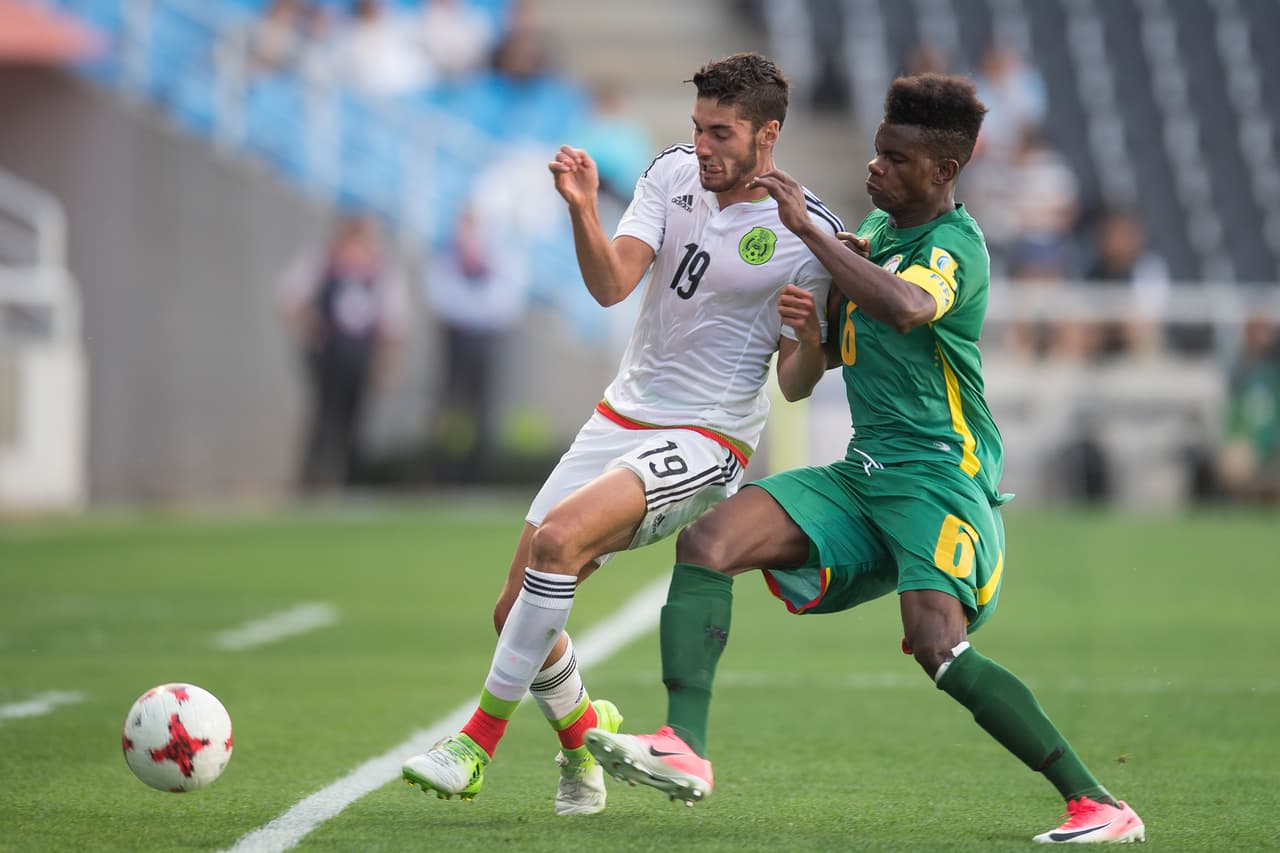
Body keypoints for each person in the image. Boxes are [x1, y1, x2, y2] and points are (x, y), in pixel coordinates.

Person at [585, 73, 1147, 845]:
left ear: (943, 171)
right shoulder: (874, 241)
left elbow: (908, 307)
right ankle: (683, 744)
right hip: (865, 471)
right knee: (709, 541)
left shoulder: (955, 246)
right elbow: (803, 380)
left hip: (936, 477)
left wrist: (814, 237)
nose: (875, 168)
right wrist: (811, 337)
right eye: (876, 152)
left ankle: (1098, 802)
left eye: (895, 158)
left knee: (937, 646)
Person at [401, 52, 844, 817]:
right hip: (620, 415)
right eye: (698, 128)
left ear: (767, 134)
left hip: (708, 437)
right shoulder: (671, 174)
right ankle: (583, 745)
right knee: (516, 613)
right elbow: (611, 283)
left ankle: (474, 744)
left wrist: (806, 339)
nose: (703, 145)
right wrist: (580, 209)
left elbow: (797, 381)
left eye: (722, 132)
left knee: (558, 543)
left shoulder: (809, 230)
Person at [277, 213, 407, 493]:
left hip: (360, 357)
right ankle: (310, 484)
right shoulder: (322, 262)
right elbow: (289, 297)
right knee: (324, 418)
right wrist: (310, 331)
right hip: (329, 357)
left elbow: (392, 322)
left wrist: (387, 362)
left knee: (355, 423)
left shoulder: (380, 272)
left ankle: (351, 484)